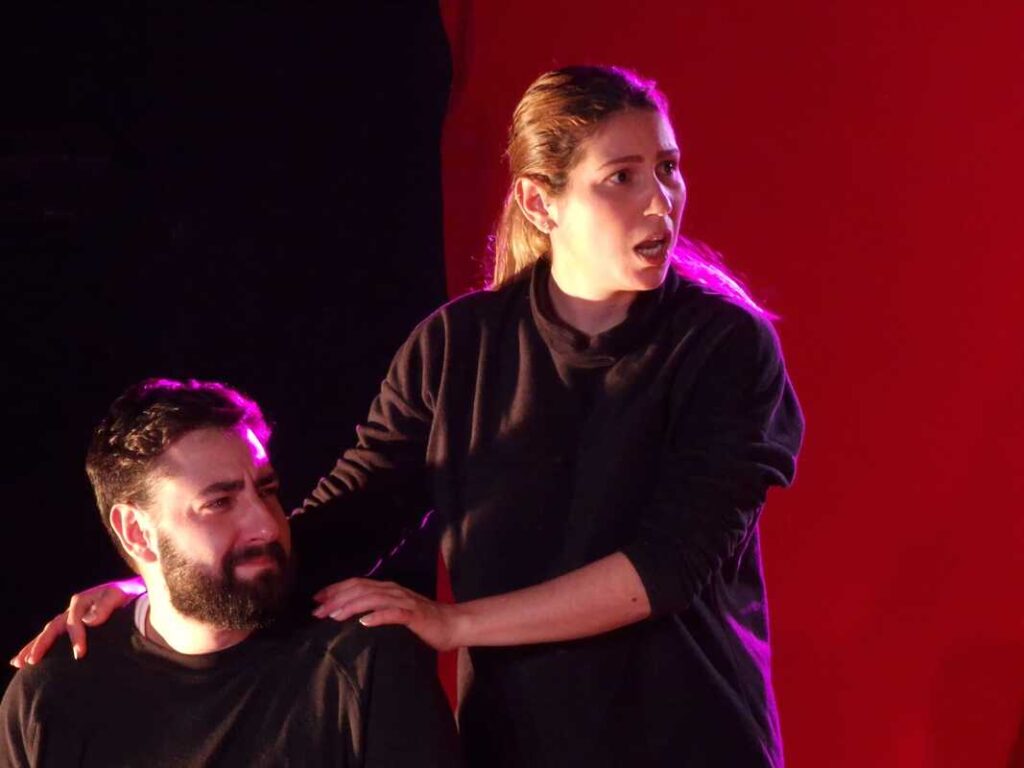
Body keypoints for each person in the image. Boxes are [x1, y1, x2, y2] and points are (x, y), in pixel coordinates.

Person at [13, 66, 804, 767]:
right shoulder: (456, 348)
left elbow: (667, 568)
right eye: (621, 177)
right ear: (540, 201)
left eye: (667, 168)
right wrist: (163, 583)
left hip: (693, 741)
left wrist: (453, 625)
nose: (661, 200)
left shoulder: (726, 349)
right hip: (517, 750)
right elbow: (348, 519)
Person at [1, 379, 460, 767]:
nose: (267, 526)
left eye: (267, 490)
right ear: (137, 533)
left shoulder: (362, 663)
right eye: (219, 503)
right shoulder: (54, 694)